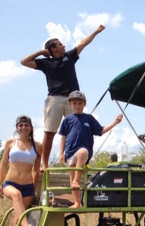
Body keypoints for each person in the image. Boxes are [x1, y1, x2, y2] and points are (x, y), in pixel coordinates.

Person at [20, 24, 106, 173]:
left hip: (72, 99)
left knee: (77, 130)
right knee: (50, 132)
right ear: (53, 49)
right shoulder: (45, 63)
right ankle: (44, 164)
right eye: (60, 44)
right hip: (54, 99)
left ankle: (75, 163)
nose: (64, 45)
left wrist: (96, 32)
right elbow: (24, 61)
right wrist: (41, 52)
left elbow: (83, 43)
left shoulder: (69, 56)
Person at [58, 90, 123, 208]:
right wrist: (61, 153)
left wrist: (114, 122)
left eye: (80, 103)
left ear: (84, 104)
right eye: (75, 103)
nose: (77, 106)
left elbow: (101, 130)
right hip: (70, 152)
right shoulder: (67, 120)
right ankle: (77, 202)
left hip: (83, 150)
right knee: (71, 176)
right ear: (70, 104)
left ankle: (77, 180)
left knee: (82, 153)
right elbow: (63, 138)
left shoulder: (89, 118)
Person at [0, 115, 43, 226]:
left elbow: (36, 170)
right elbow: (3, 165)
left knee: (17, 223)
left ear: (30, 128)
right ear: (17, 127)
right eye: (20, 125)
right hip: (10, 183)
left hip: (28, 187)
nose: (23, 128)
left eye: (26, 125)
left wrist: (34, 190)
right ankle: (27, 225)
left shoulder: (37, 146)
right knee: (16, 196)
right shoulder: (11, 143)